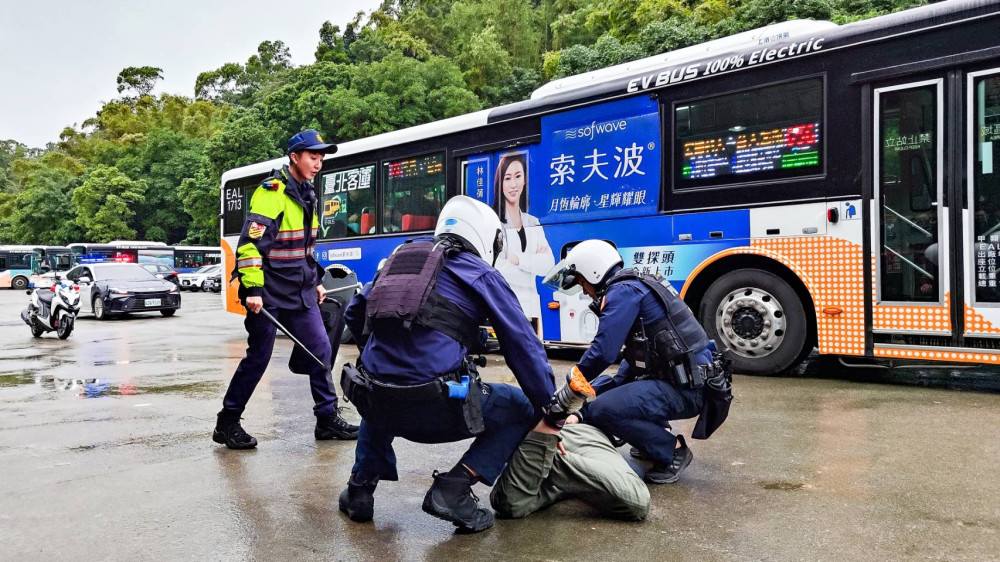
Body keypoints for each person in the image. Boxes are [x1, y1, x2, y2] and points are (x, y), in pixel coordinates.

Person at [337, 196, 593, 533]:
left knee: (378, 383)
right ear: (485, 237)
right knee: (519, 405)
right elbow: (523, 346)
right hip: (436, 410)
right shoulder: (481, 273)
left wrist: (383, 354)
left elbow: (354, 314)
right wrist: (551, 410)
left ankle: (359, 491)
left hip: (377, 403)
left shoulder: (398, 262)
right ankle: (454, 488)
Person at [213, 129, 359, 450]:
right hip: (267, 295)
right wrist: (252, 289)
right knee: (259, 358)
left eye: (321, 157)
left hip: (299, 293)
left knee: (320, 349)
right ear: (295, 157)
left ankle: (326, 418)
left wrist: (316, 282)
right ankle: (228, 422)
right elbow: (250, 247)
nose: (318, 163)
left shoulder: (307, 193)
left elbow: (303, 249)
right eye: (312, 156)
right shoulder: (272, 193)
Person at [542, 240, 731, 484]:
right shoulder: (636, 285)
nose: (584, 291)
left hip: (689, 389)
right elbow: (627, 371)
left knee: (605, 409)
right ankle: (651, 440)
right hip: (686, 380)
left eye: (581, 282)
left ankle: (672, 450)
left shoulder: (623, 292)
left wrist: (569, 390)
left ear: (593, 272)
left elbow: (602, 353)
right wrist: (579, 414)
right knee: (610, 394)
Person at [490, 416, 650, 521]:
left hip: (583, 437)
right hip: (569, 428)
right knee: (509, 504)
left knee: (636, 500)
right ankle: (535, 445)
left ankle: (534, 447)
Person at [493, 152, 555, 333]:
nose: (513, 184)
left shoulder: (533, 221)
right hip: (506, 305)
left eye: (518, 176)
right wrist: (533, 260)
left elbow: (548, 265)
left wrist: (516, 259)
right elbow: (498, 269)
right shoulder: (494, 223)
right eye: (507, 178)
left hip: (532, 309)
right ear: (500, 183)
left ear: (525, 180)